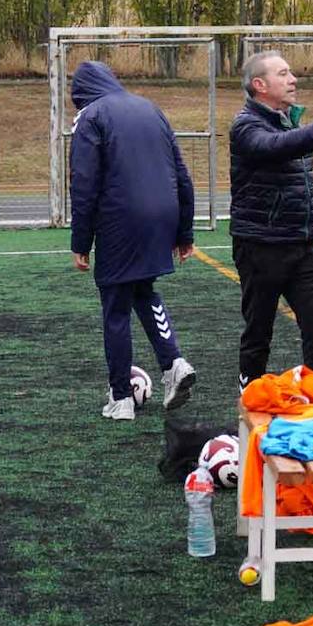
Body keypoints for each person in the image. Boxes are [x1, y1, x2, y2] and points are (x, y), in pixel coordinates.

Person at [229, 50, 313, 390]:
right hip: (261, 246)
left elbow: (302, 183)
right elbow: (280, 147)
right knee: (259, 330)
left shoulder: (291, 120)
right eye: (284, 74)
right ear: (260, 85)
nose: (293, 80)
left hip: (303, 246)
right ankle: (250, 398)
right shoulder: (246, 126)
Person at [69, 60, 197, 420]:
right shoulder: (150, 108)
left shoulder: (91, 116)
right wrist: (184, 229)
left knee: (115, 306)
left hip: (120, 219)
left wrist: (81, 241)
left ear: (80, 93)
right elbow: (181, 174)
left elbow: (84, 183)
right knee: (143, 289)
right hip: (162, 214)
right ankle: (174, 361)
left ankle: (121, 397)